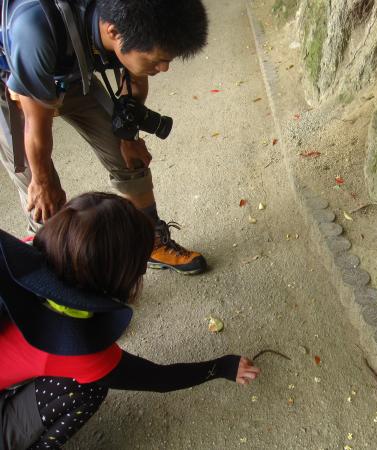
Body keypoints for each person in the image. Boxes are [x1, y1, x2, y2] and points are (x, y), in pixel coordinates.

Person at [0, 192, 261, 449]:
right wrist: (223, 367)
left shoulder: (21, 254)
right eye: (139, 264)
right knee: (88, 387)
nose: (144, 269)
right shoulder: (79, 349)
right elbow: (157, 378)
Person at [0, 0, 210, 275]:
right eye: (158, 60)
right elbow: (35, 124)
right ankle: (52, 272)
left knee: (128, 157)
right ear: (113, 31)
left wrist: (128, 137)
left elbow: (134, 81)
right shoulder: (33, 28)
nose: (164, 69)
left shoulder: (130, 17)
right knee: (42, 196)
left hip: (74, 75)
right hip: (15, 86)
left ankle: (150, 240)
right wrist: (41, 180)